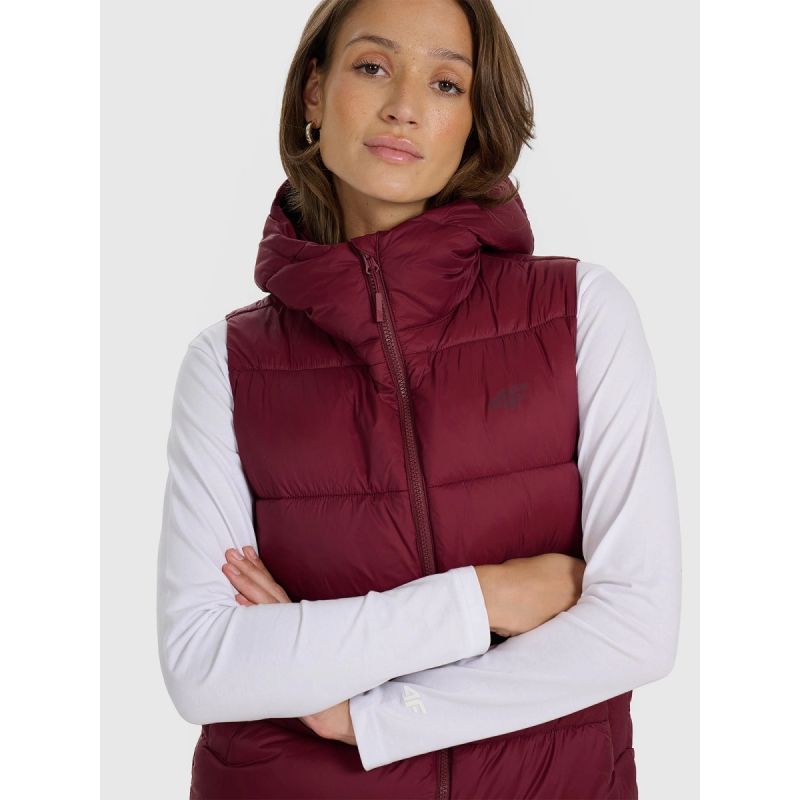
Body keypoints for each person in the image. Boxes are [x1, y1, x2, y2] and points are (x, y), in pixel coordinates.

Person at [156, 0, 682, 797]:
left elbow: (638, 628)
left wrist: (369, 713)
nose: (404, 105)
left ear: (475, 119)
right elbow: (203, 666)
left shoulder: (580, 314)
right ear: (314, 91)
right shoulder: (228, 365)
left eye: (445, 83)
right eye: (372, 66)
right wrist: (485, 597)